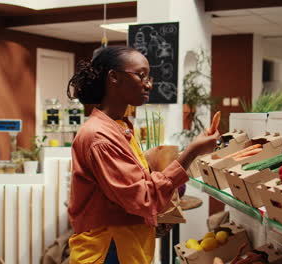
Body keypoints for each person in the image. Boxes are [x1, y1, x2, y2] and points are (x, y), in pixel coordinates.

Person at [66, 46, 220, 264]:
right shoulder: (99, 136)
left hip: (125, 246)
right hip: (108, 250)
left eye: (149, 77)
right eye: (141, 75)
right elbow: (144, 198)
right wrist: (192, 151)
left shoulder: (119, 126)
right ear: (114, 77)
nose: (149, 84)